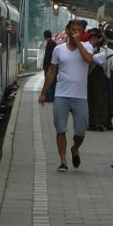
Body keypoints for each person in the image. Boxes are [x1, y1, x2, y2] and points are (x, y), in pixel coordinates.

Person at [38, 19, 94, 172]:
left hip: (80, 96)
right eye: (73, 30)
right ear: (68, 31)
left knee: (81, 130)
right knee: (60, 128)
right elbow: (51, 71)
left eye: (79, 30)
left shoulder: (87, 46)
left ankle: (75, 148)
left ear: (82, 32)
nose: (75, 32)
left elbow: (89, 60)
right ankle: (63, 161)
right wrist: (43, 93)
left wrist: (79, 43)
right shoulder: (59, 50)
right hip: (62, 94)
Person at [42, 29, 57, 102]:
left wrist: (46, 65)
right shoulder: (52, 43)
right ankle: (52, 96)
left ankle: (49, 97)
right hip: (51, 65)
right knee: (53, 81)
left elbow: (48, 56)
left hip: (49, 66)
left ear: (44, 36)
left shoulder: (51, 43)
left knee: (49, 81)